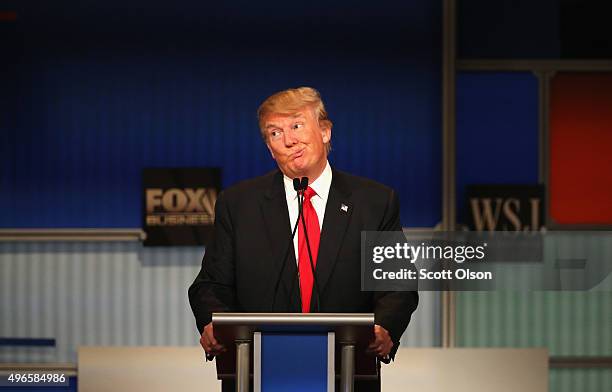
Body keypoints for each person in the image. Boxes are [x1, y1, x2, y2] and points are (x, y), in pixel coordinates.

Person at [188, 87, 418, 390]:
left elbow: (398, 284)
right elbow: (209, 286)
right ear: (270, 149)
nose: (288, 140)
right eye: (275, 133)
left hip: (347, 372)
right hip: (256, 373)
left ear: (324, 131)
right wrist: (212, 323)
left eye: (297, 126)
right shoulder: (238, 204)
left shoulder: (374, 202)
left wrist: (384, 326)